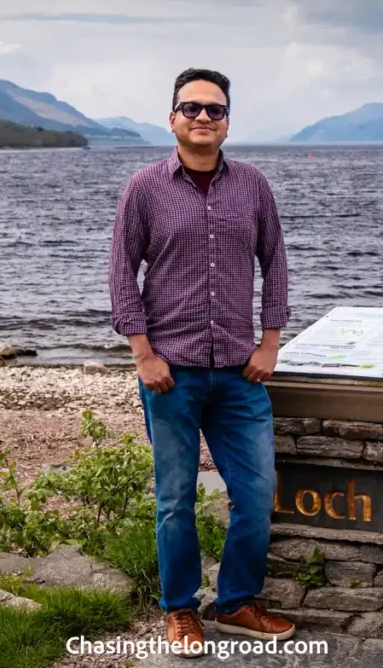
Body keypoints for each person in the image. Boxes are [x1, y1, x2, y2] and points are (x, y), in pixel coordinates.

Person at [108, 68, 294, 658]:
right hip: (171, 374)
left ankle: (236, 601)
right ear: (172, 119)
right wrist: (143, 354)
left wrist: (271, 343)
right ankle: (181, 610)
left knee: (258, 491)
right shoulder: (144, 187)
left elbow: (277, 264)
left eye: (214, 110)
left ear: (228, 122)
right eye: (191, 108)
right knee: (175, 499)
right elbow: (121, 273)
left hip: (241, 373)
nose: (203, 118)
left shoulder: (254, 186)